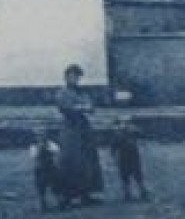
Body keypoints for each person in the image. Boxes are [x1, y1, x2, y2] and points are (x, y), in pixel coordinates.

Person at [54, 64, 103, 205]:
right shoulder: (62, 92)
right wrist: (82, 107)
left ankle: (85, 194)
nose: (75, 79)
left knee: (87, 160)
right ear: (66, 77)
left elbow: (91, 107)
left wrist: (83, 107)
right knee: (70, 160)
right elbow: (65, 108)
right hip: (70, 129)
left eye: (77, 77)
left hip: (83, 128)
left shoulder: (82, 93)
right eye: (72, 76)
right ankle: (66, 196)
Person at [109, 120, 149, 201]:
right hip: (129, 156)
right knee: (133, 175)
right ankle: (137, 192)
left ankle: (133, 192)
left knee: (129, 175)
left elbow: (113, 147)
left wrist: (113, 155)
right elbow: (142, 135)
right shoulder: (130, 131)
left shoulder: (119, 134)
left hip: (127, 156)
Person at [29, 129, 62, 211]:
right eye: (39, 135)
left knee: (55, 186)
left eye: (42, 135)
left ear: (46, 136)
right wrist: (40, 149)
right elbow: (33, 156)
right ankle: (43, 205)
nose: (41, 137)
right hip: (40, 169)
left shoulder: (51, 144)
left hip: (51, 168)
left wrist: (47, 149)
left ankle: (59, 203)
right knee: (41, 188)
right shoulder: (34, 146)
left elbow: (57, 152)